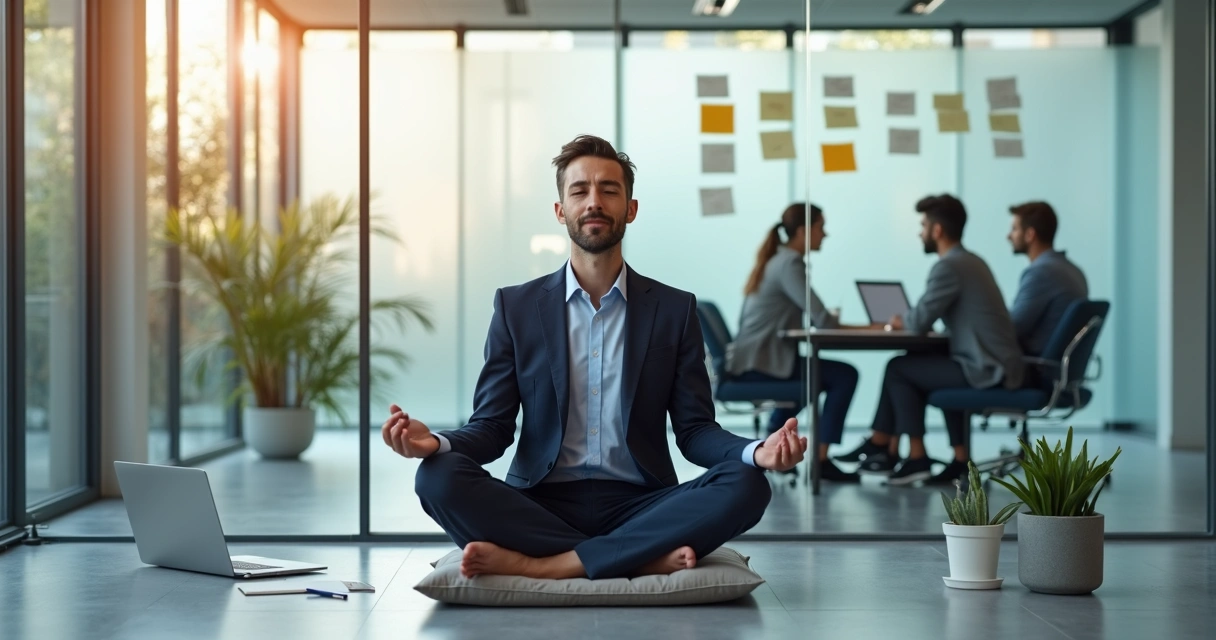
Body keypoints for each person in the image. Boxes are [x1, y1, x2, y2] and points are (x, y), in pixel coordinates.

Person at [382, 135, 807, 581]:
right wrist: (437, 444)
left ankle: (545, 565)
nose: (594, 202)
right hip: (540, 502)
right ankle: (637, 558)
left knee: (746, 484)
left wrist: (756, 452)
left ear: (631, 208)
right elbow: (492, 427)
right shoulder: (517, 308)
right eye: (579, 190)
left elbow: (695, 431)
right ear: (560, 210)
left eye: (609, 190)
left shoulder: (674, 309)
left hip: (641, 502)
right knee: (436, 477)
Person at [835, 194, 1024, 486]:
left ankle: (908, 455)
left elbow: (919, 320)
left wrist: (900, 320)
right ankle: (907, 451)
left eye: (923, 225)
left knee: (900, 369)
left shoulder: (949, 266)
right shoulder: (971, 261)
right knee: (911, 365)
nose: (920, 232)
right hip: (993, 362)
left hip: (986, 368)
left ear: (937, 230)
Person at [727, 203, 869, 483]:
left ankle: (775, 440)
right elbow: (823, 320)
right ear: (804, 231)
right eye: (821, 228)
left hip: (757, 358)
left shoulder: (777, 259)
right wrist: (875, 327)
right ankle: (821, 460)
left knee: (814, 374)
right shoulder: (789, 263)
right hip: (761, 363)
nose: (825, 235)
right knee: (843, 375)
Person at [1007, 201, 1088, 356]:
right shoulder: (1075, 271)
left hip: (1034, 368)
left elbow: (1011, 329)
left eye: (1014, 229)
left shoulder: (1040, 273)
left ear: (1030, 234)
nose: (1009, 236)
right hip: (1058, 368)